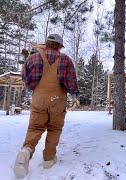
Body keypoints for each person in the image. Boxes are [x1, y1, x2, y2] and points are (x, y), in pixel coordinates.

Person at [13, 34, 79, 178]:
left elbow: (25, 77)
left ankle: (26, 152)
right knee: (55, 128)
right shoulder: (66, 60)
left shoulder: (32, 58)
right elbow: (71, 81)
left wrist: (34, 87)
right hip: (58, 99)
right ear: (60, 46)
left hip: (39, 99)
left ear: (46, 43)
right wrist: (75, 96)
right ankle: (48, 159)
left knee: (35, 128)